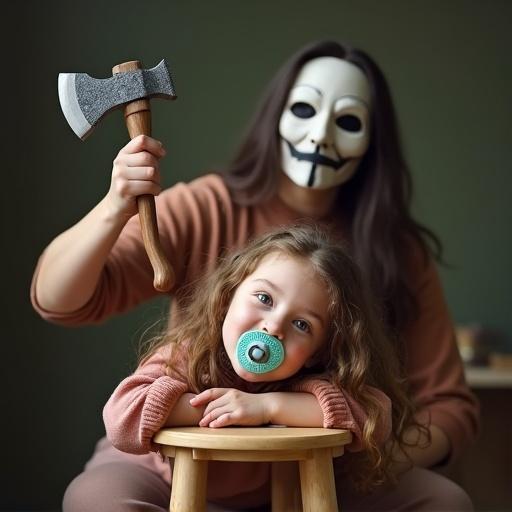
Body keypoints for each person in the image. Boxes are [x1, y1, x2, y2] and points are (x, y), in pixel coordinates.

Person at [31, 40, 479, 510]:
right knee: (96, 501)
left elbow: (435, 408)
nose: (321, 136)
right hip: (172, 468)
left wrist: (336, 445)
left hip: (318, 467)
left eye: (348, 121)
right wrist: (114, 207)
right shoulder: (205, 223)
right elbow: (60, 301)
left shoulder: (394, 254)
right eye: (305, 109)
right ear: (225, 292)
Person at [103, 225, 416, 509]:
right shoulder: (187, 355)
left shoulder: (308, 379)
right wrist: (228, 410)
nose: (275, 326)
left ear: (317, 353)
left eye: (302, 324)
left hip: (281, 497)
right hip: (171, 483)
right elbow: (122, 417)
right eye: (264, 298)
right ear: (227, 298)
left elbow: (375, 414)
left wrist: (268, 406)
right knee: (97, 498)